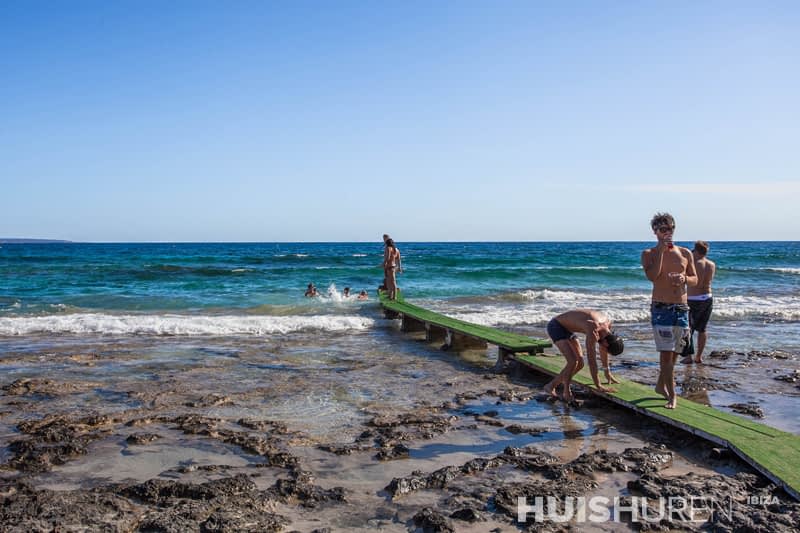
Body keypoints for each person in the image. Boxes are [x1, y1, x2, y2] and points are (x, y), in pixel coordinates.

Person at [641, 212, 697, 409]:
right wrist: (662, 253)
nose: (668, 232)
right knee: (666, 355)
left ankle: (659, 386)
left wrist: (685, 279)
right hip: (661, 308)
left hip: (681, 308)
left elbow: (694, 278)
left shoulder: (685, 253)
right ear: (655, 232)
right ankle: (671, 395)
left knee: (676, 353)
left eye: (671, 228)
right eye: (663, 229)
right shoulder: (649, 253)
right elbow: (653, 277)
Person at [542, 309, 624, 403]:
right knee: (572, 361)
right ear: (606, 343)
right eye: (606, 349)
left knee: (580, 363)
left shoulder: (607, 326)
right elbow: (592, 360)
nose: (603, 349)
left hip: (568, 329)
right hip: (556, 326)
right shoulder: (593, 329)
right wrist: (598, 385)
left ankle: (551, 386)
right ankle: (566, 392)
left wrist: (607, 371)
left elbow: (603, 350)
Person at [681, 241, 716, 364]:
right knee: (702, 329)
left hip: (693, 299)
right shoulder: (711, 264)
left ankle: (689, 356)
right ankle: (699, 356)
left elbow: (687, 280)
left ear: (696, 250)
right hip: (707, 297)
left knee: (688, 328)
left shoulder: (694, 264)